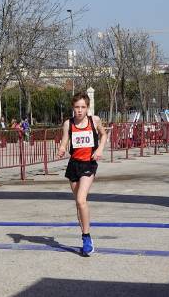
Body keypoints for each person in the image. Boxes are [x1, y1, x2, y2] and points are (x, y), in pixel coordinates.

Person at [57, 91, 107, 257]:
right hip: (74, 165)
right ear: (73, 107)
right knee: (79, 204)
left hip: (88, 164)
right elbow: (65, 140)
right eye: (77, 107)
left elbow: (104, 134)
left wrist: (100, 149)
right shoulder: (68, 123)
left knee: (81, 199)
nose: (79, 110)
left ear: (87, 108)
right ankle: (85, 236)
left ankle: (87, 238)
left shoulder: (94, 120)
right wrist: (62, 148)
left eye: (83, 107)